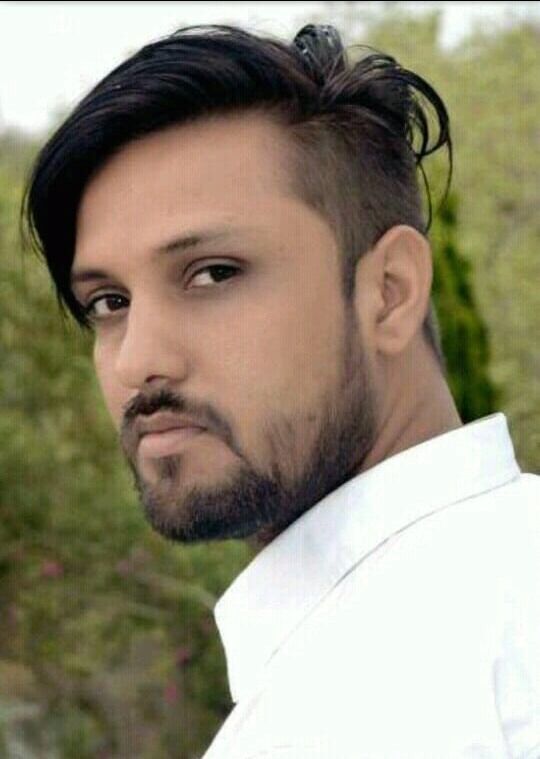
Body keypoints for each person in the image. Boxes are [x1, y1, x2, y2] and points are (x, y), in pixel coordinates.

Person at [21, 22, 539, 759]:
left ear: (390, 291)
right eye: (109, 302)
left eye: (213, 273)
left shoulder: (408, 692)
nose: (138, 360)